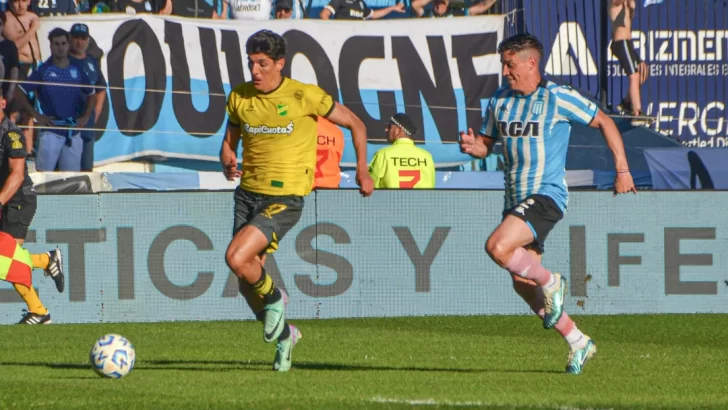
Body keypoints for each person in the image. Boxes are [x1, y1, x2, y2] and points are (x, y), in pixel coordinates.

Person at [458, 33, 637, 375]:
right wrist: (474, 146)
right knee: (523, 284)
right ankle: (578, 341)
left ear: (531, 63)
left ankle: (552, 281)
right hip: (515, 200)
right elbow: (487, 145)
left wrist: (623, 169)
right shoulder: (499, 101)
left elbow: (605, 121)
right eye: (503, 65)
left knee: (497, 246)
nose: (505, 71)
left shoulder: (557, 97)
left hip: (545, 195)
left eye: (510, 65)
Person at [220, 29, 374, 372]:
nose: (255, 71)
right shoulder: (239, 97)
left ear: (280, 63)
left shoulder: (305, 96)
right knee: (245, 280)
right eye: (250, 64)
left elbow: (357, 124)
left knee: (235, 257)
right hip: (247, 194)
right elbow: (228, 142)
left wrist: (363, 170)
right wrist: (227, 157)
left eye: (262, 64)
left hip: (285, 196)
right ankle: (286, 337)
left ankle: (276, 299)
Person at [0, 88, 65, 325]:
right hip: (7, 201)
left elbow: (17, 175)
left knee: (5, 258)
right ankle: (45, 261)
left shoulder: (12, 135)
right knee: (6, 258)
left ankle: (39, 311)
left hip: (18, 200)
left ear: (3, 103)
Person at [14, 27, 96, 172]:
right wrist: (35, 114)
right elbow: (19, 91)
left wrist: (85, 117)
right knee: (44, 177)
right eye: (56, 44)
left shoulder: (77, 69)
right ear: (50, 46)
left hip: (72, 131)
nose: (60, 48)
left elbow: (92, 93)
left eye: (63, 43)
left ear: (68, 45)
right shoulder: (43, 70)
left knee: (71, 180)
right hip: (51, 131)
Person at [68, 23, 107, 172]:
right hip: (66, 126)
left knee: (86, 171)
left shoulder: (91, 61)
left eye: (83, 38)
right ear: (70, 39)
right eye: (76, 38)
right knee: (66, 174)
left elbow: (101, 88)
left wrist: (95, 113)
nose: (80, 42)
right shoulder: (61, 59)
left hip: (87, 127)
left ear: (88, 40)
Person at [368, 113, 435, 189]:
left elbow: (370, 186)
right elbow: (431, 188)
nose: (386, 129)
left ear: (398, 131)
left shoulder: (383, 154)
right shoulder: (427, 156)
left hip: (391, 200)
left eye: (390, 127)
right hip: (419, 201)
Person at [609, 0, 648, 123]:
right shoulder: (615, 3)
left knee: (643, 71)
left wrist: (631, 8)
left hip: (628, 44)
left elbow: (629, 17)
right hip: (620, 43)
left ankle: (626, 102)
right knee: (634, 76)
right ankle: (637, 113)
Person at [313, 116, 344, 189]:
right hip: (330, 186)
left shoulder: (298, 127)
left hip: (304, 186)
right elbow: (337, 158)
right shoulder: (336, 131)